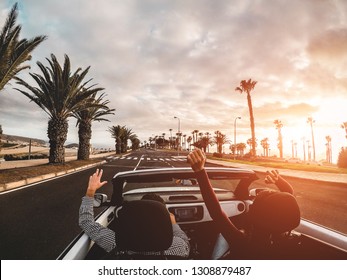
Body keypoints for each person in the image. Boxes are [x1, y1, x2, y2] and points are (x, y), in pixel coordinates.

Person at [187, 149, 300, 259]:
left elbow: (216, 212)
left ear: (255, 215)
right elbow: (288, 197)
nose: (264, 191)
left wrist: (200, 172)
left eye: (256, 201)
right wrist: (278, 180)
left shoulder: (243, 243)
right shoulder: (285, 241)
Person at [79, 169, 190, 258]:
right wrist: (174, 224)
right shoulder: (177, 247)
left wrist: (90, 192)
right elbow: (185, 243)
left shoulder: (117, 243)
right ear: (164, 218)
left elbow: (86, 222)